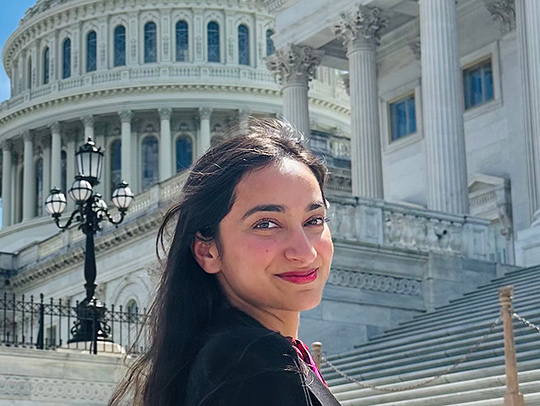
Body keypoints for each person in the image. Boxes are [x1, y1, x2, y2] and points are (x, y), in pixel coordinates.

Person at [109, 118, 341, 406]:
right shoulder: (257, 364)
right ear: (208, 251)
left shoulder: (224, 356)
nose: (305, 252)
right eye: (266, 224)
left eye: (314, 220)